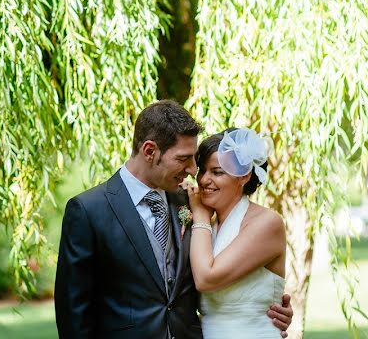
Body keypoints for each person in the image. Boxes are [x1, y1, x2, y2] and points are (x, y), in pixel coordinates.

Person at [55, 101, 292, 338]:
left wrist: (265, 306)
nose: (192, 171)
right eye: (183, 159)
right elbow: (73, 312)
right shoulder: (88, 210)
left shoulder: (193, 204)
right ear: (149, 151)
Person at [185, 128, 288, 338]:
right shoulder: (206, 227)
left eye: (217, 172)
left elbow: (206, 279)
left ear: (244, 176)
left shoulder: (267, 223)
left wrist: (201, 217)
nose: (204, 180)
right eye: (202, 171)